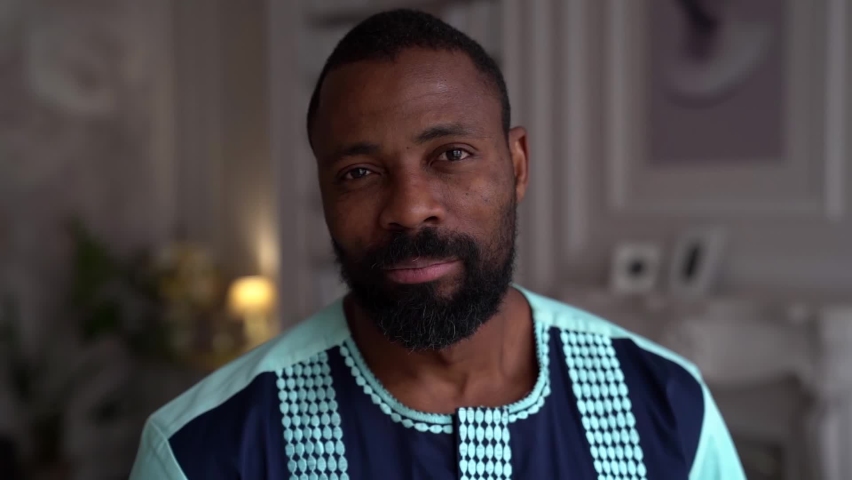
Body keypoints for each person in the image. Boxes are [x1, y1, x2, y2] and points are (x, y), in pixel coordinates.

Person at [130, 9, 745, 479]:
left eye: (451, 155)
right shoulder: (202, 450)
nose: (409, 208)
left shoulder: (667, 405)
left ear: (517, 165)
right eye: (359, 173)